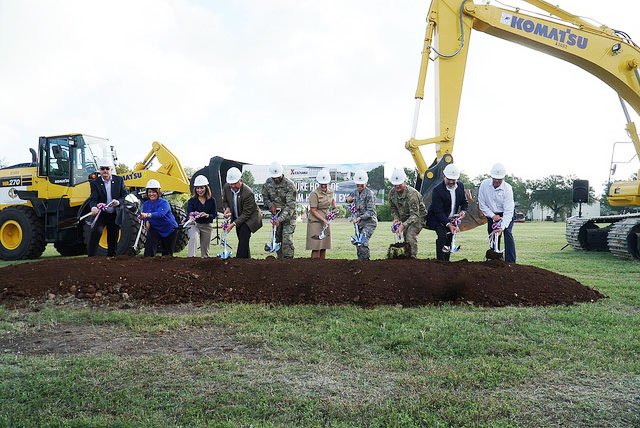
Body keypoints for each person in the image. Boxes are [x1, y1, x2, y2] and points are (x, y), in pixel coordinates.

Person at [426, 164, 468, 261]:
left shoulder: (460, 186)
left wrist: (463, 211)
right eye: (449, 179)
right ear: (444, 176)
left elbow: (464, 202)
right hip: (436, 219)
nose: (451, 181)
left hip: (451, 218)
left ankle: (446, 262)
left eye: (454, 180)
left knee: (449, 237)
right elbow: (438, 212)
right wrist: (448, 224)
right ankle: (440, 262)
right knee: (442, 236)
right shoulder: (437, 190)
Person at [87, 158, 128, 257]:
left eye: (107, 169)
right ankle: (91, 257)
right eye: (102, 169)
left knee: (113, 236)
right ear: (99, 170)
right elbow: (93, 198)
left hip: (115, 213)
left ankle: (112, 258)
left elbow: (124, 195)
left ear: (111, 170)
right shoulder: (95, 183)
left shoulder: (119, 180)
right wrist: (93, 207)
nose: (105, 171)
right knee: (96, 232)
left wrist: (118, 202)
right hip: (101, 213)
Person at [478, 163, 516, 263]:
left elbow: (508, 211)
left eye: (500, 179)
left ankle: (510, 261)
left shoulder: (507, 188)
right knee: (492, 234)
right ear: (491, 176)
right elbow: (482, 204)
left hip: (506, 213)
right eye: (495, 178)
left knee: (507, 232)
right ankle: (495, 259)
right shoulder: (484, 185)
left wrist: (502, 227)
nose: (497, 181)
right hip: (492, 213)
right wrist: (493, 216)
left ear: (503, 177)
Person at [221, 167, 263, 258]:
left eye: (235, 183)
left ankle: (239, 261)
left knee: (244, 235)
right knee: (242, 240)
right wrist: (227, 208)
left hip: (250, 219)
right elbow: (225, 201)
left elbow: (246, 214)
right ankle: (246, 262)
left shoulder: (248, 193)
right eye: (230, 184)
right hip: (238, 217)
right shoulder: (226, 187)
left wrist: (232, 224)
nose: (232, 186)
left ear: (241, 180)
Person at [388, 168, 426, 259]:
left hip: (418, 217)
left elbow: (415, 215)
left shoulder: (412, 194)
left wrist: (403, 225)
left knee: (410, 235)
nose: (397, 186)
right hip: (404, 217)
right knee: (404, 236)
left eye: (399, 184)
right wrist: (396, 218)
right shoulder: (392, 193)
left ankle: (412, 258)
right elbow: (393, 208)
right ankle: (406, 257)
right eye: (395, 184)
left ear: (405, 181)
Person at [262, 162, 297, 258]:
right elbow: (265, 198)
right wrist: (270, 205)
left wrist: (279, 219)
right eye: (274, 177)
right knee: (277, 240)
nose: (276, 179)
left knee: (286, 240)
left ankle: (287, 261)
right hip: (275, 215)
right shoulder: (268, 183)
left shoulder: (290, 185)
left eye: (278, 177)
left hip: (288, 217)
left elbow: (290, 206)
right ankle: (280, 261)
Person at [139, 179, 179, 257]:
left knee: (167, 254)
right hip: (155, 229)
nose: (151, 194)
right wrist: (145, 222)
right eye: (149, 192)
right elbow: (145, 217)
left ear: (158, 192)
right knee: (149, 251)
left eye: (154, 192)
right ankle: (148, 265)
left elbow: (160, 214)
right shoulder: (146, 204)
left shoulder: (164, 203)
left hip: (169, 229)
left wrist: (147, 215)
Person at [345, 169, 378, 260]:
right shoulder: (354, 192)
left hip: (369, 222)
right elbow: (348, 201)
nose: (359, 186)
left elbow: (370, 211)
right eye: (358, 184)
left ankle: (365, 263)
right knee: (358, 243)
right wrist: (348, 200)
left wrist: (359, 218)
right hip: (358, 223)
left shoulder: (369, 194)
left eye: (361, 184)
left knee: (362, 241)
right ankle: (360, 261)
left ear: (366, 183)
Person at [306, 169, 336, 259]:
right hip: (315, 221)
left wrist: (335, 209)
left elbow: (332, 200)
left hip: (326, 219)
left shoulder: (330, 192)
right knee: (316, 246)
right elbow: (313, 210)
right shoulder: (314, 194)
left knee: (324, 246)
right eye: (322, 184)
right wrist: (324, 220)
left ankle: (323, 268)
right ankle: (314, 267)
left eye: (325, 184)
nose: (323, 185)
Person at [186, 175, 217, 258]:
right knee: (194, 237)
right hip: (194, 224)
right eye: (197, 188)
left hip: (207, 225)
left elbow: (214, 215)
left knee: (205, 251)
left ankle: (204, 263)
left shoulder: (212, 200)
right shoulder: (191, 201)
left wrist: (207, 215)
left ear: (206, 188)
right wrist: (191, 217)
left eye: (202, 188)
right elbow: (189, 213)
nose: (199, 190)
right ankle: (191, 258)